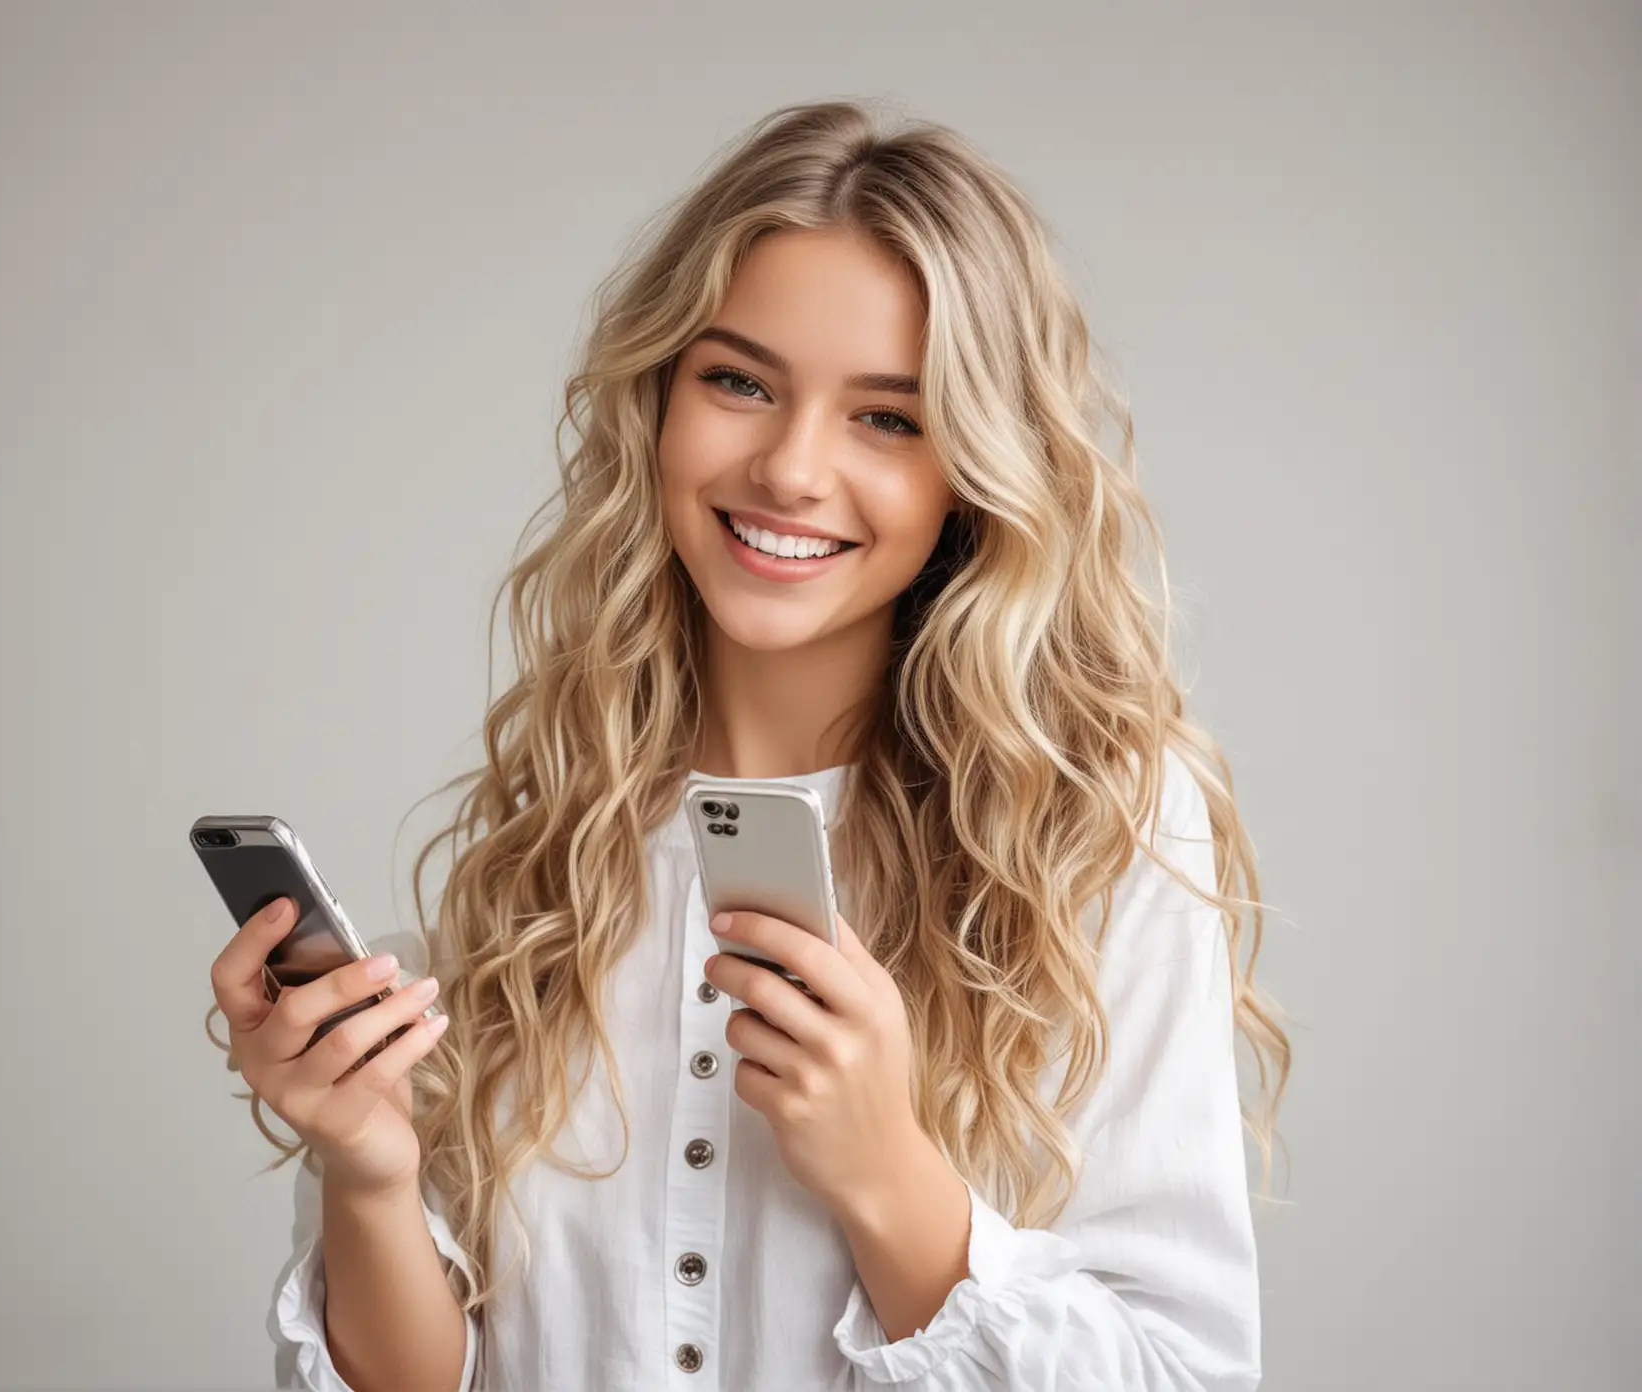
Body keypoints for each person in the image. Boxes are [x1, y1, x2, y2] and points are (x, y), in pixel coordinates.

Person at [206, 98, 1290, 1392]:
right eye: (738, 382)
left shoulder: (1095, 831)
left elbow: (1181, 1371)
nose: (788, 469)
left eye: (888, 418)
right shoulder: (556, 827)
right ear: (656, 401)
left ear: (977, 469)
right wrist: (368, 1169)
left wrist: (888, 1171)